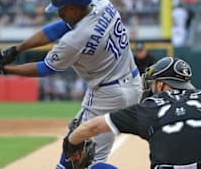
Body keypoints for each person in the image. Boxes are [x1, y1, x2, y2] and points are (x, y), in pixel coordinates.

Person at [0, 0, 143, 168]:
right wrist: (17, 49)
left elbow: (46, 68)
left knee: (83, 156)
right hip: (132, 85)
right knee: (79, 149)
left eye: (62, 9)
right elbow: (57, 29)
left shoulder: (74, 40)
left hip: (107, 95)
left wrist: (4, 69)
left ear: (74, 8)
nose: (59, 13)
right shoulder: (102, 2)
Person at [63, 57, 201, 169]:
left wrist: (71, 142)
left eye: (152, 84)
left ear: (161, 85)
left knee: (98, 167)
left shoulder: (150, 107)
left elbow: (93, 127)